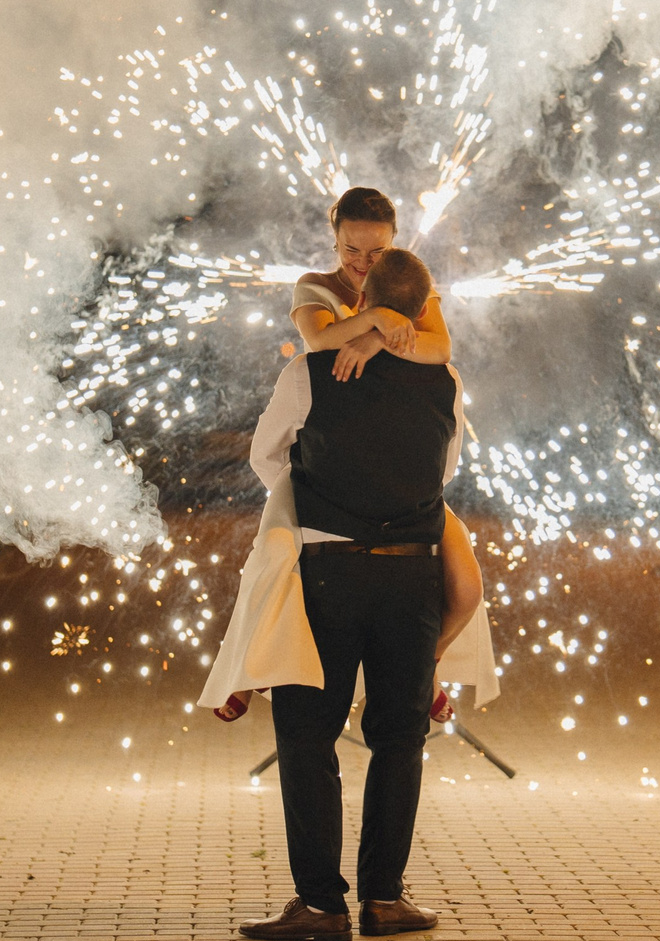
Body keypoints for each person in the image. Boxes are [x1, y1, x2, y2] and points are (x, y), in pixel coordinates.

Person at [202, 187, 493, 721]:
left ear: (394, 243)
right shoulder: (316, 286)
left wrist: (375, 339)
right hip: (320, 471)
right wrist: (377, 321)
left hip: (402, 484)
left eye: (375, 253)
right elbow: (317, 342)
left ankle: (429, 664)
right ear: (335, 241)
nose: (361, 264)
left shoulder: (410, 284)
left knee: (467, 582)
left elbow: (440, 349)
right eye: (350, 250)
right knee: (272, 555)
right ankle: (245, 672)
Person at [238, 247, 457, 941]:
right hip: (414, 574)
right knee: (400, 736)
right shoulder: (446, 379)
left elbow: (265, 456)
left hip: (329, 571)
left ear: (359, 302)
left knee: (308, 732)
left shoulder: (309, 371)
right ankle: (384, 899)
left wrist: (318, 487)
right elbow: (444, 467)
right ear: (423, 311)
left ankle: (321, 904)